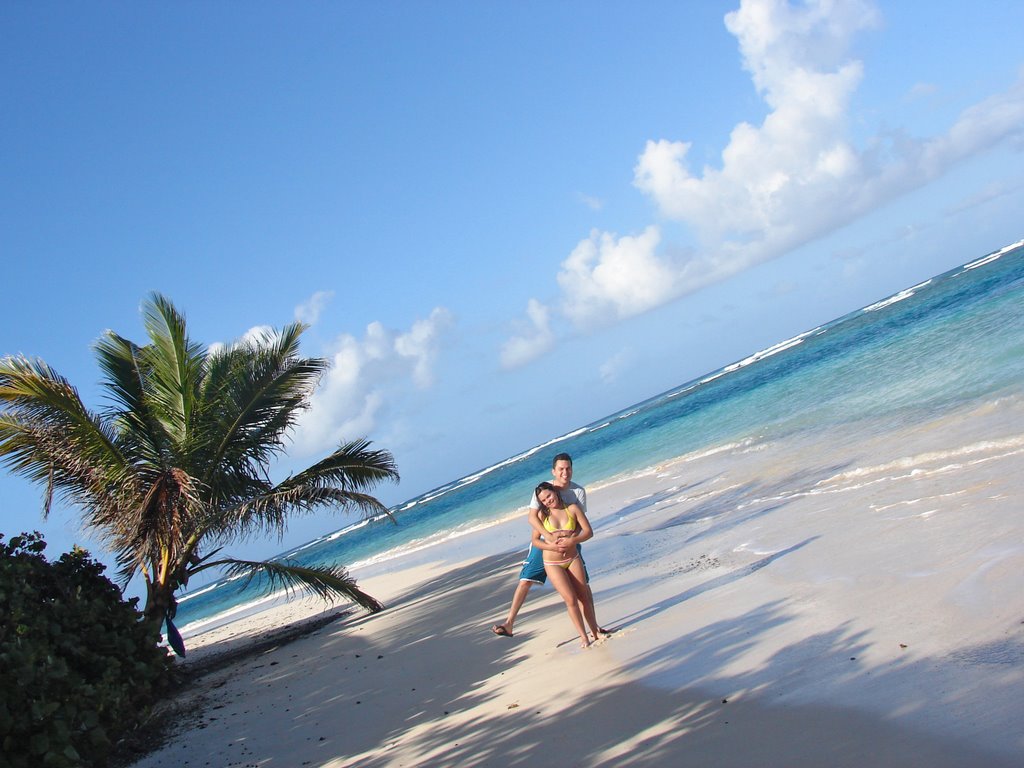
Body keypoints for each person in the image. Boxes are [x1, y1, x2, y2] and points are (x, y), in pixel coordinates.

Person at [492, 453, 607, 638]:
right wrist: (549, 537)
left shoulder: (578, 492)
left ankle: (595, 627)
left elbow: (580, 523)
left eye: (568, 468)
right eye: (561, 469)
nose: (565, 472)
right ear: (553, 471)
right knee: (526, 580)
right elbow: (532, 517)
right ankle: (509, 623)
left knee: (583, 586)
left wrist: (571, 539)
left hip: (570, 541)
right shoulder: (544, 490)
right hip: (544, 542)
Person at [531, 481, 603, 647]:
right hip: (552, 562)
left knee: (583, 596)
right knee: (570, 599)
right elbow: (535, 541)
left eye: (548, 496)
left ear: (555, 492)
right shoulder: (543, 516)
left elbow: (588, 532)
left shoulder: (572, 509)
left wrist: (573, 541)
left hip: (572, 558)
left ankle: (595, 633)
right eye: (543, 500)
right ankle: (583, 637)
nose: (548, 501)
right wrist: (550, 545)